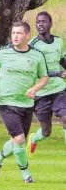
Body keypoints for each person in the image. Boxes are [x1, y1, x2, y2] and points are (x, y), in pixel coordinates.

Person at [0, 21, 49, 183]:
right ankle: (26, 175)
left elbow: (44, 77)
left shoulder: (37, 55)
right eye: (13, 33)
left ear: (27, 35)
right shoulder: (3, 53)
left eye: (19, 33)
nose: (15, 36)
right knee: (20, 139)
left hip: (27, 104)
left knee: (16, 141)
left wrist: (35, 88)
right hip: (6, 102)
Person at [26, 11, 66, 155]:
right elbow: (34, 71)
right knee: (46, 131)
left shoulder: (59, 42)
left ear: (50, 24)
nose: (40, 24)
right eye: (38, 22)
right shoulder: (33, 45)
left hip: (59, 89)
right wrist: (58, 73)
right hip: (41, 93)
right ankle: (34, 139)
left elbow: (61, 60)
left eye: (43, 21)